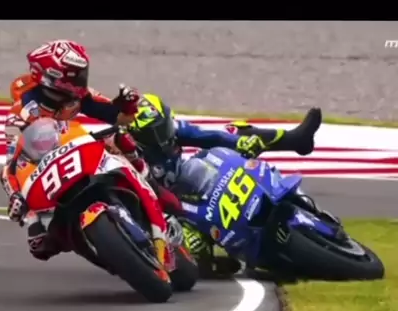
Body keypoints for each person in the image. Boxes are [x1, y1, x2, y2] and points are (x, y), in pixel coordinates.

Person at [123, 93, 323, 258]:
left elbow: (211, 137)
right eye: (151, 134)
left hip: (192, 178)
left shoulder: (172, 129)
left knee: (235, 131)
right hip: (171, 209)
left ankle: (297, 140)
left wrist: (239, 143)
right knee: (192, 244)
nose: (161, 136)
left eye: (161, 127)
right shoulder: (133, 157)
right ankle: (212, 261)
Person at [0, 39, 140, 259]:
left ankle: (155, 187)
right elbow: (10, 165)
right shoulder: (20, 114)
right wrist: (15, 197)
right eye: (74, 75)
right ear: (53, 76)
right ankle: (49, 225)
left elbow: (121, 118)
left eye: (80, 74)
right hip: (47, 168)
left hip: (79, 147)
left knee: (124, 140)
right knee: (39, 246)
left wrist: (127, 105)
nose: (80, 80)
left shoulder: (77, 96)